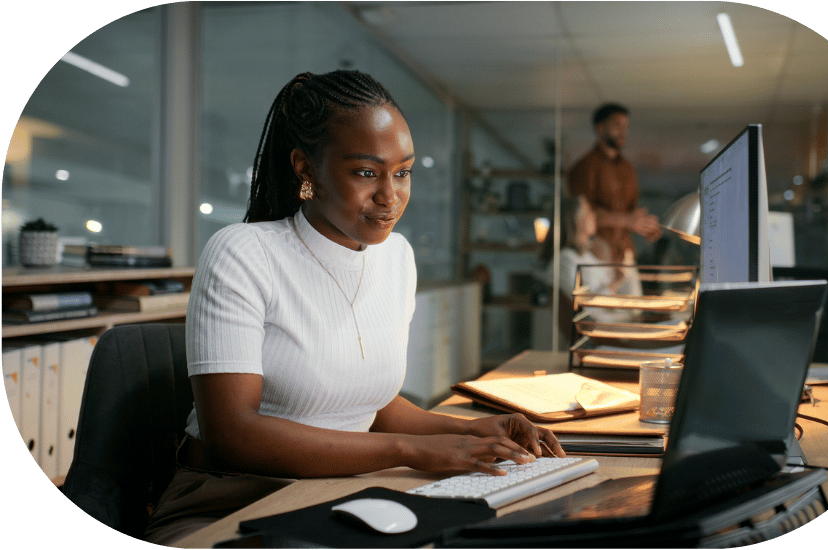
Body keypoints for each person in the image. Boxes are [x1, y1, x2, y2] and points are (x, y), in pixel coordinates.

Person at [143, 70, 564, 545]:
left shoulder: (397, 258)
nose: (390, 197)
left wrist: (472, 431)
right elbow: (233, 437)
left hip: (344, 491)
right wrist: (412, 451)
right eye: (367, 172)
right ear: (306, 169)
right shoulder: (243, 253)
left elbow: (368, 405)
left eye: (402, 172)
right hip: (228, 500)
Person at [567, 102, 662, 265]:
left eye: (626, 126)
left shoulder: (628, 169)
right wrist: (627, 221)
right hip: (595, 255)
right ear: (600, 128)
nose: (623, 131)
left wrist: (645, 225)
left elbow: (631, 213)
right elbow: (580, 215)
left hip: (626, 254)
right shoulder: (584, 167)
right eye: (617, 125)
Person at [538, 195, 640, 342]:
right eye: (588, 212)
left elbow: (616, 290)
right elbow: (587, 309)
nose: (594, 216)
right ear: (576, 220)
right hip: (601, 334)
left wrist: (623, 270)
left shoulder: (586, 256)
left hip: (614, 325)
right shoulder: (565, 259)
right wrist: (617, 281)